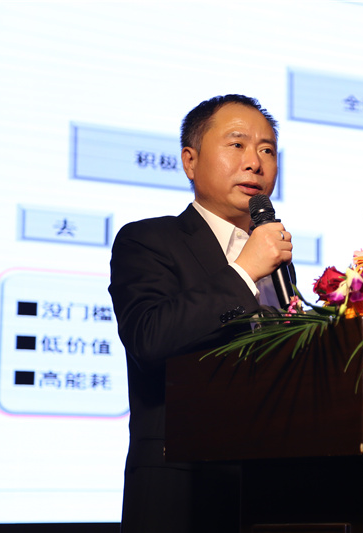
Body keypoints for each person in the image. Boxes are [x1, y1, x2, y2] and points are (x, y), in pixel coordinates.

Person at [108, 94, 292, 531]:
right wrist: (244, 271)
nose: (255, 163)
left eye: (267, 150)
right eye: (237, 144)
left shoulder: (278, 260)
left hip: (271, 487)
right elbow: (149, 337)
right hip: (183, 487)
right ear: (190, 161)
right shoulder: (149, 241)